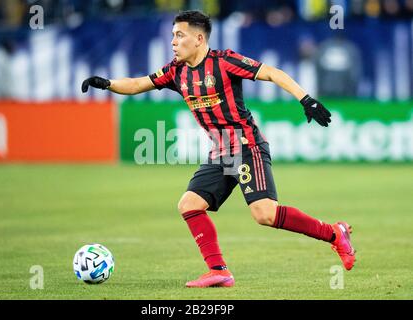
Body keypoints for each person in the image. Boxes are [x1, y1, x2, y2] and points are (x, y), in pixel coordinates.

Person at [81, 10, 356, 288]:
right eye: (173, 36)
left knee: (265, 214)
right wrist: (107, 84)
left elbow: (271, 73)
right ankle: (219, 271)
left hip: (247, 145)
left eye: (180, 35)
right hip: (222, 151)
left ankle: (334, 233)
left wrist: (305, 99)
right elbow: (139, 83)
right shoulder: (176, 71)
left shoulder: (224, 62)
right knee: (189, 205)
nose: (173, 42)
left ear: (199, 39)